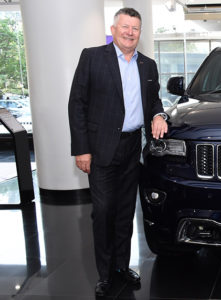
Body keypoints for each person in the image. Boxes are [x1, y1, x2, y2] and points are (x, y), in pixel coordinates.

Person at [68, 7, 168, 297]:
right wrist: (82, 149)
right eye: (124, 26)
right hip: (100, 150)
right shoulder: (92, 57)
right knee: (103, 212)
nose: (129, 32)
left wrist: (159, 115)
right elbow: (77, 105)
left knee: (125, 212)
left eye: (135, 28)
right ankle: (104, 274)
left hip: (132, 149)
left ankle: (122, 268)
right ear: (113, 29)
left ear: (139, 33)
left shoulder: (147, 65)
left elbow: (153, 101)